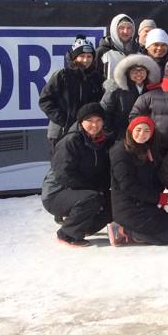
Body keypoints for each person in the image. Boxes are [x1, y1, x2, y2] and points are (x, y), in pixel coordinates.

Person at [107, 116, 168, 246]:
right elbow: (128, 186)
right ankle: (123, 229)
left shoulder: (149, 148)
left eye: (147, 131)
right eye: (138, 130)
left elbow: (156, 177)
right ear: (131, 130)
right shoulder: (121, 152)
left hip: (148, 202)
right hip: (129, 206)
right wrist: (159, 198)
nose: (142, 134)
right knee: (166, 237)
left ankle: (148, 227)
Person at [41, 102, 113, 247]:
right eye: (90, 121)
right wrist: (93, 189)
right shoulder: (71, 141)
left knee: (114, 199)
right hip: (57, 194)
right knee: (91, 198)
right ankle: (67, 234)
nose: (95, 125)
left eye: (98, 120)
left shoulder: (102, 141)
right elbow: (63, 174)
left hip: (82, 190)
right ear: (81, 122)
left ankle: (85, 227)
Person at [39, 35, 104, 150]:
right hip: (61, 132)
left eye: (89, 56)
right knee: (62, 165)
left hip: (87, 132)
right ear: (74, 57)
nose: (85, 60)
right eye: (82, 56)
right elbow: (45, 101)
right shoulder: (62, 75)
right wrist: (64, 120)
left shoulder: (96, 78)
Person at [101, 53, 160, 138]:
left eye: (142, 70)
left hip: (145, 135)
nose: (138, 74)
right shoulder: (116, 89)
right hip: (121, 135)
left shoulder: (152, 89)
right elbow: (105, 111)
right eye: (134, 71)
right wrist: (111, 132)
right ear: (127, 73)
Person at [94, 14, 138, 82]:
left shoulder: (138, 51)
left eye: (129, 28)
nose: (125, 31)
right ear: (114, 30)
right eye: (121, 28)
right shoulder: (102, 52)